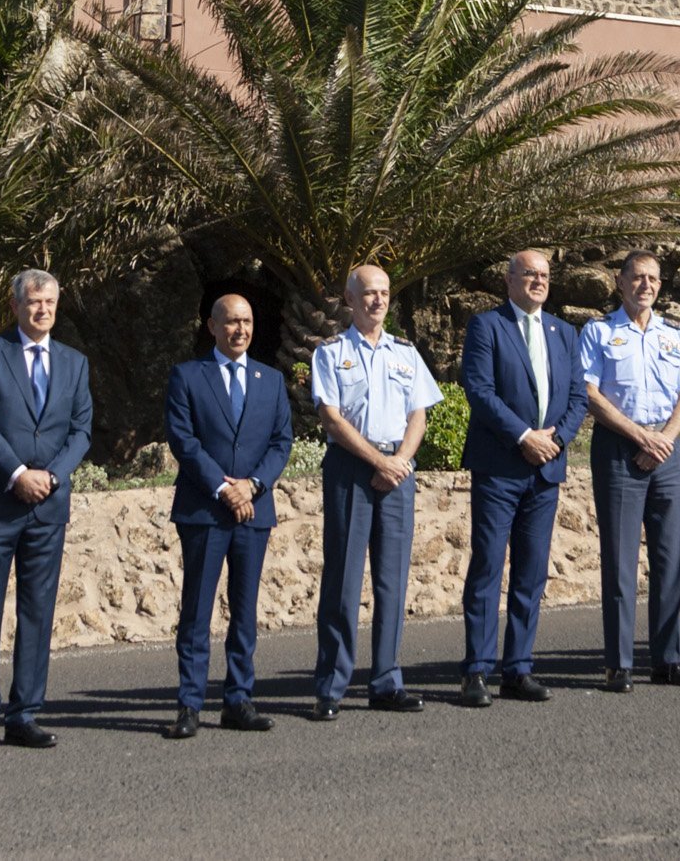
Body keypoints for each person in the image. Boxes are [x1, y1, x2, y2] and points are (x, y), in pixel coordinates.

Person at [0, 268, 94, 754]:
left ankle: (25, 713)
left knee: (38, 612)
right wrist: (17, 474)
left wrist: (51, 477)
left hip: (48, 506)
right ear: (15, 306)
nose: (42, 310)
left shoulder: (75, 363)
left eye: (50, 302)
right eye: (34, 301)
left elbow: (81, 431)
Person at [456, 249, 589, 706]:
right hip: (500, 467)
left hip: (546, 468)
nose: (538, 280)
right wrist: (523, 436)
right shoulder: (486, 326)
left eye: (545, 275)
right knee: (488, 567)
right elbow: (479, 389)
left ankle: (518, 668)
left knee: (531, 573)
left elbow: (577, 394)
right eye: (529, 273)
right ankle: (477, 669)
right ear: (509, 280)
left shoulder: (564, 332)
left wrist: (557, 438)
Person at [309, 264, 441, 719]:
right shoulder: (329, 352)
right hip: (352, 467)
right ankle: (332, 685)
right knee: (343, 581)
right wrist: (378, 461)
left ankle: (386, 681)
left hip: (398, 470)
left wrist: (399, 461)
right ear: (350, 299)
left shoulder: (405, 353)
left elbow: (419, 413)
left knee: (392, 581)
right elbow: (331, 417)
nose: (378, 300)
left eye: (384, 293)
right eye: (368, 293)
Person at [163, 294, 293, 738]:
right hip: (204, 510)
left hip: (254, 510)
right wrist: (223, 487)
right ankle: (189, 704)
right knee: (197, 610)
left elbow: (281, 443)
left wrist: (252, 486)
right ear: (212, 327)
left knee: (244, 610)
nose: (241, 329)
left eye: (247, 321)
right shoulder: (187, 376)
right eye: (232, 322)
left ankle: (239, 699)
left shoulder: (270, 380)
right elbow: (183, 440)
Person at [577, 250, 680, 692]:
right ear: (620, 281)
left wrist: (664, 439)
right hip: (619, 448)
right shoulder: (598, 332)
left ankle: (668, 659)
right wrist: (639, 436)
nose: (646, 285)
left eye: (653, 278)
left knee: (672, 559)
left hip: (665, 450)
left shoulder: (673, 333)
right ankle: (620, 663)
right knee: (620, 560)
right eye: (637, 277)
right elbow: (590, 393)